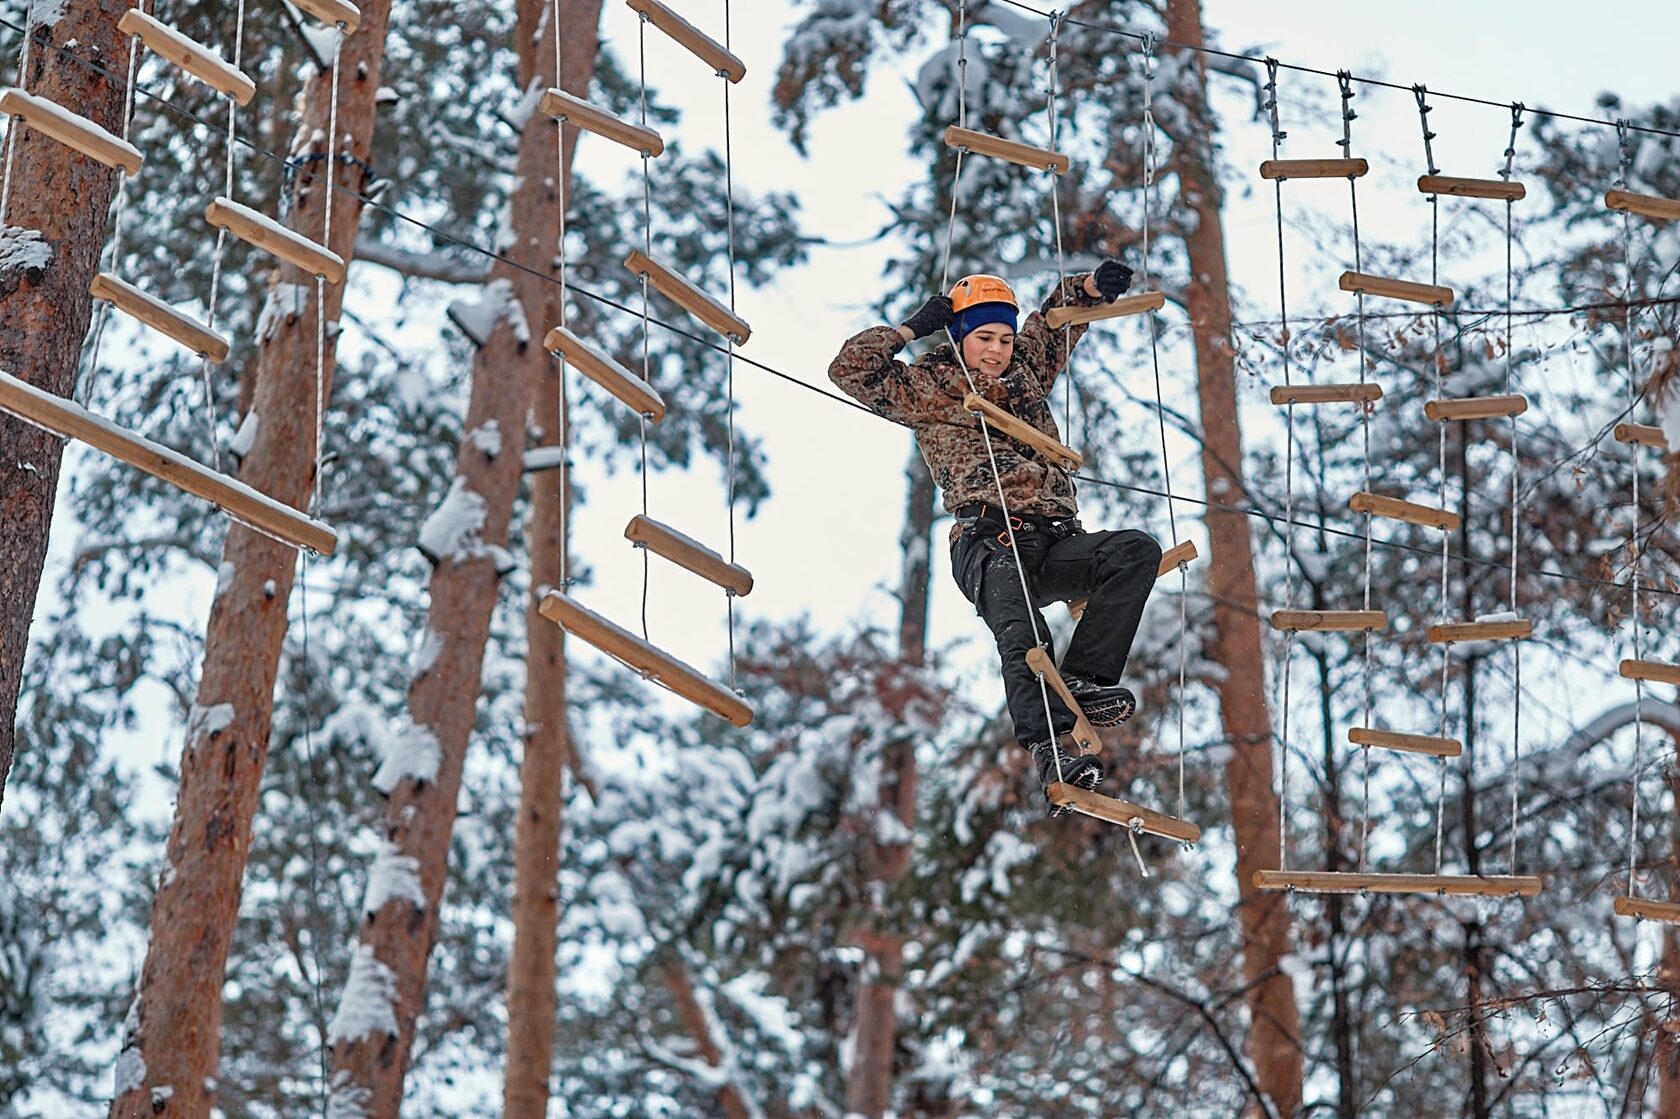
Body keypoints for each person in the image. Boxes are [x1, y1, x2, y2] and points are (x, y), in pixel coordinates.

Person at [828, 264, 1164, 813]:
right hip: (990, 537)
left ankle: (1081, 681)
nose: (997, 350)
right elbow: (851, 370)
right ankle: (1051, 750)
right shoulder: (927, 384)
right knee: (1024, 635)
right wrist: (912, 329)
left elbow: (1055, 324)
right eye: (984, 338)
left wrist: (1090, 290)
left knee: (1134, 551)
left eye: (1005, 339)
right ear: (960, 336)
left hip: (1052, 538)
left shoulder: (1025, 372)